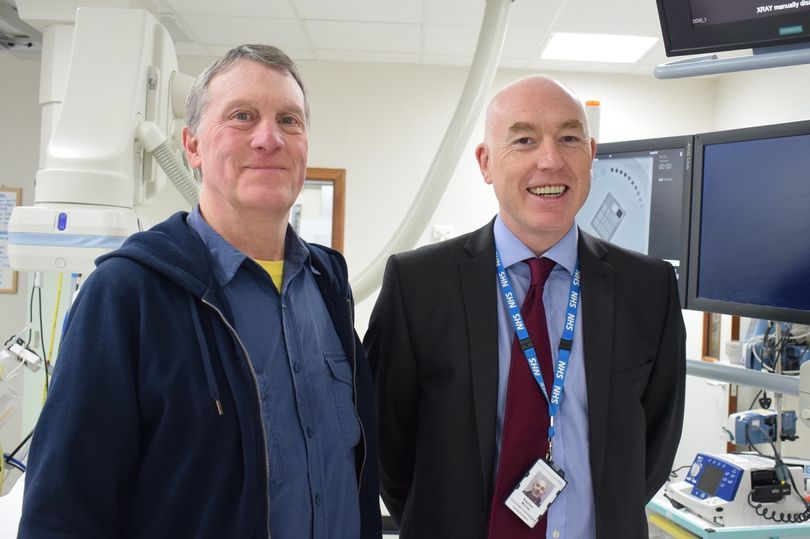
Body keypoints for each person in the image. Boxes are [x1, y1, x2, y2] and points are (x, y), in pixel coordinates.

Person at [19, 44, 380, 538]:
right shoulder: (128, 295)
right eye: (242, 116)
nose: (269, 138)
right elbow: (63, 511)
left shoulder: (327, 284)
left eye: (289, 120)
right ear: (192, 146)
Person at [365, 75, 686, 538]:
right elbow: (388, 447)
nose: (550, 160)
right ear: (486, 162)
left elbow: (654, 444)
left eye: (569, 138)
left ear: (591, 155)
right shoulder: (418, 284)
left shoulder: (648, 287)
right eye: (524, 140)